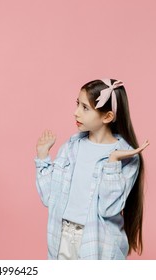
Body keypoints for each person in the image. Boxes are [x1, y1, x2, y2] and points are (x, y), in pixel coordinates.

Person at [35, 79, 149, 260]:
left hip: (99, 245)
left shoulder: (127, 157)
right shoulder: (71, 147)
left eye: (85, 108)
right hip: (62, 238)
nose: (76, 112)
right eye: (77, 104)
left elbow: (108, 209)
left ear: (107, 117)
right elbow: (50, 197)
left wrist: (112, 162)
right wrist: (42, 157)